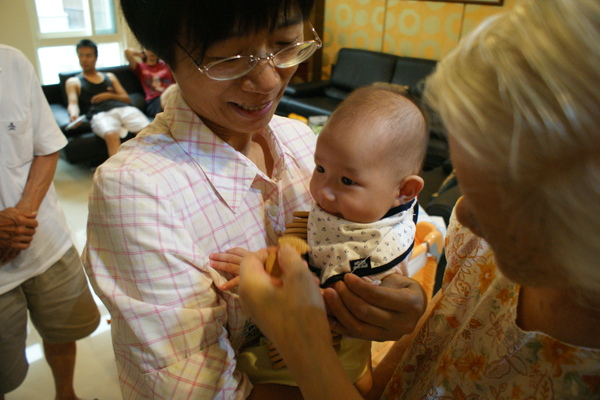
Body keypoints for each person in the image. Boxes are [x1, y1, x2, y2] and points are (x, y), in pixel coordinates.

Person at [237, 0, 600, 399]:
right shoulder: (477, 242)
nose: (465, 216)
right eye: (464, 174)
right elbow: (435, 337)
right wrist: (412, 305)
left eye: (510, 201)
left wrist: (302, 344)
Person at [211, 83, 429, 393]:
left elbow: (321, 300)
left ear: (403, 192)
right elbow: (307, 234)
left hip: (331, 359)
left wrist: (265, 267)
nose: (322, 191)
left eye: (346, 180)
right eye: (320, 168)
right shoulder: (349, 208)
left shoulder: (375, 248)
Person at [0, 44, 101, 400]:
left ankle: (66, 394)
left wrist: (22, 219)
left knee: (62, 330)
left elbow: (45, 145)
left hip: (44, 241)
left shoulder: (12, 62)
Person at [66, 39, 150, 157]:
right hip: (100, 113)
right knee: (111, 134)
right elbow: (73, 103)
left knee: (148, 131)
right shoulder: (73, 81)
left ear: (96, 57)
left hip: (123, 108)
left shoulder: (110, 76)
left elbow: (126, 98)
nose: (84, 59)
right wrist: (73, 115)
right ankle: (116, 173)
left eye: (88, 56)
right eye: (81, 55)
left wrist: (109, 95)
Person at [124, 47, 176, 117]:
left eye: (153, 49)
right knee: (174, 88)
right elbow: (127, 51)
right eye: (148, 49)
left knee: (176, 89)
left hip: (174, 96)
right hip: (154, 101)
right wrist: (141, 54)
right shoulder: (140, 67)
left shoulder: (165, 65)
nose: (152, 52)